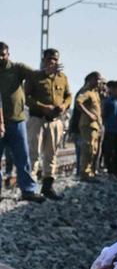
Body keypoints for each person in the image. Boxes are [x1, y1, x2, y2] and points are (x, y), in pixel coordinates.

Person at [26, 48, 72, 200]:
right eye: (49, 59)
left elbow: (68, 96)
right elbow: (26, 97)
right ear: (44, 60)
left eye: (55, 60)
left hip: (55, 121)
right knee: (34, 153)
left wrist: (64, 106)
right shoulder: (34, 77)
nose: (52, 62)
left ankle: (47, 186)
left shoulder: (62, 78)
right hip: (37, 119)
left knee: (51, 154)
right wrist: (42, 107)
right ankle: (30, 188)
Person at [0, 42, 43, 203]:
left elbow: (36, 75)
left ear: (8, 54)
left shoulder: (17, 68)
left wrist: (47, 72)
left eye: (2, 54)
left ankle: (28, 190)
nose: (0, 58)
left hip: (16, 121)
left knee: (23, 157)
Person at [73, 72, 105, 181]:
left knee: (94, 150)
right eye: (96, 79)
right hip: (88, 125)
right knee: (88, 149)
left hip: (95, 126)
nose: (98, 82)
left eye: (99, 80)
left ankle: (90, 172)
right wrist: (89, 114)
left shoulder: (95, 93)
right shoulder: (86, 92)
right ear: (90, 80)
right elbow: (78, 102)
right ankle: (85, 173)